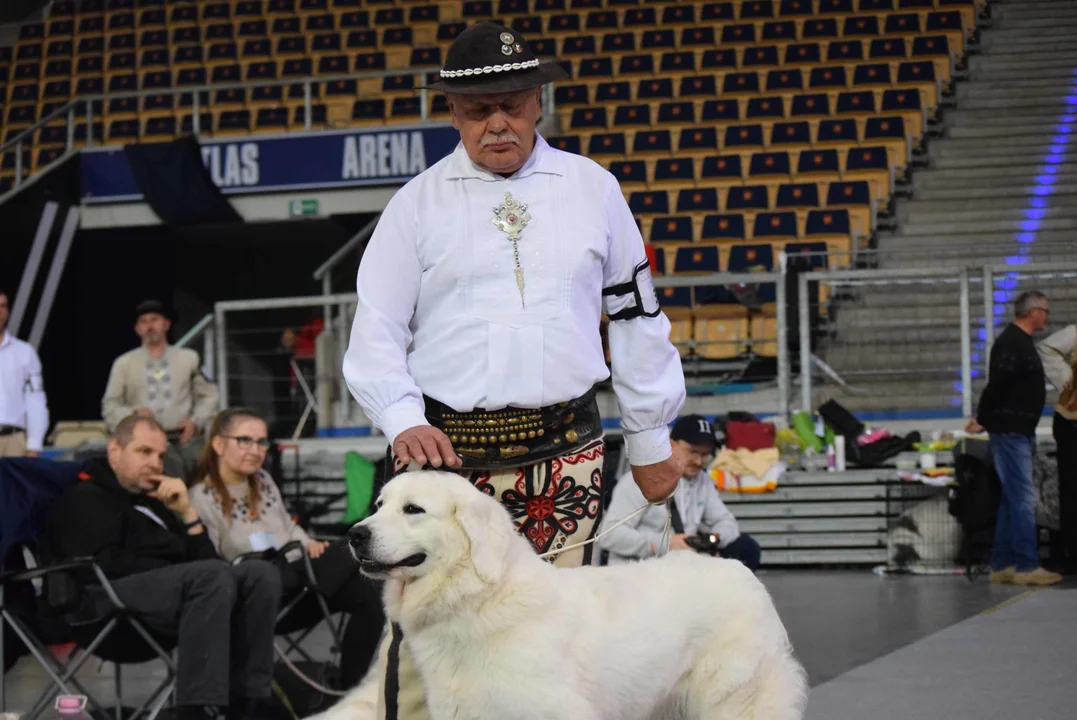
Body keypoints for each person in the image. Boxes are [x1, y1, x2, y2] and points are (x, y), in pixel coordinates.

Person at [339, 21, 686, 720]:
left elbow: (636, 317)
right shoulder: (414, 206)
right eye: (477, 110)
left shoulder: (594, 189)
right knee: (425, 647)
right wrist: (402, 418)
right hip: (444, 467)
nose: (497, 122)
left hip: (566, 456)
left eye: (514, 103)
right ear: (451, 112)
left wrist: (649, 439)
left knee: (549, 639)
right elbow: (373, 332)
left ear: (538, 102)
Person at [48, 414, 282, 720]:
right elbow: (98, 567)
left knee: (259, 573)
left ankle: (249, 702)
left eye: (160, 455)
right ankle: (197, 709)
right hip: (104, 607)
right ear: (114, 452)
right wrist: (175, 570)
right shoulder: (86, 498)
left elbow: (211, 565)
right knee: (209, 576)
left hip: (178, 599)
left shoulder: (160, 502)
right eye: (144, 452)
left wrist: (187, 513)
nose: (156, 463)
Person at [189, 408, 386, 688]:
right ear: (219, 444)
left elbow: (288, 527)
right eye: (245, 440)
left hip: (299, 581)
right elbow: (214, 559)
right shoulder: (201, 497)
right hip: (257, 589)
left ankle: (348, 687)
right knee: (349, 548)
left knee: (368, 591)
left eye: (261, 442)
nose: (256, 450)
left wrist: (309, 544)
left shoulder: (264, 482)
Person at [965, 291, 1060, 586]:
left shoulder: (1019, 342)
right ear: (1032, 312)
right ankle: (1027, 565)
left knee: (1011, 498)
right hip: (1010, 431)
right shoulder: (1011, 344)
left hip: (1017, 429)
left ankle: (1002, 564)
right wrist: (983, 418)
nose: (1047, 315)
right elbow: (997, 385)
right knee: (1023, 498)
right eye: (1044, 310)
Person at [599, 415, 761, 570]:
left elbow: (727, 522)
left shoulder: (702, 480)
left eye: (705, 455)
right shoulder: (639, 479)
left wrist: (714, 540)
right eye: (692, 452)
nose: (699, 461)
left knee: (746, 547)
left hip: (679, 569)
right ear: (671, 445)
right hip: (638, 571)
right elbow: (609, 535)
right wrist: (666, 544)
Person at [102, 299, 219, 482]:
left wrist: (196, 421)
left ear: (166, 324)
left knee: (209, 468)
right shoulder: (124, 363)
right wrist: (132, 415)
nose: (150, 326)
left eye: (154, 319)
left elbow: (209, 395)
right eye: (144, 321)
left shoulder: (189, 358)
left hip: (184, 438)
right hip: (144, 442)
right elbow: (110, 404)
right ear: (137, 329)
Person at [1039, 322, 1077, 573]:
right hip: (1071, 422)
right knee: (1072, 492)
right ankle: (1072, 554)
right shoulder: (1075, 333)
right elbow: (1046, 348)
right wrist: (1067, 378)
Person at [0, 288, 49, 457]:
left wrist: (34, 445)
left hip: (14, 441)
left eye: (3, 306)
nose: (0, 312)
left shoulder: (25, 352)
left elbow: (35, 400)